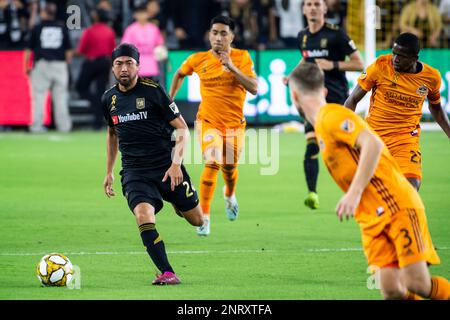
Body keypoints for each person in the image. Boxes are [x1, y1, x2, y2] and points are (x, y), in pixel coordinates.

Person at [288, 62, 450, 300]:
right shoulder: (321, 125)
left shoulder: (331, 116)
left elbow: (373, 144)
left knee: (417, 283)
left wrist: (353, 193)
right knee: (392, 289)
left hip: (397, 206)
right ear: (323, 90)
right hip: (371, 218)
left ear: (293, 95)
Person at [102, 43, 203, 285]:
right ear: (113, 67)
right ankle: (168, 272)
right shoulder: (109, 99)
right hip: (135, 172)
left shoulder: (154, 91)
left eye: (129, 63)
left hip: (167, 168)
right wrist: (109, 172)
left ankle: (177, 204)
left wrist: (176, 164)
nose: (124, 68)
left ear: (138, 65)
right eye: (119, 63)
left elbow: (182, 129)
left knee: (197, 220)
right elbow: (112, 134)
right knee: (142, 215)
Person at [169, 15, 258, 236]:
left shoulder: (242, 57)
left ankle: (229, 194)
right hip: (208, 122)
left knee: (229, 168)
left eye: (223, 33)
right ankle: (204, 217)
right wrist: (168, 101)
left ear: (232, 37)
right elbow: (180, 73)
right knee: (212, 161)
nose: (218, 38)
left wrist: (232, 68)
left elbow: (254, 87)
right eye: (215, 33)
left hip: (235, 126)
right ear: (209, 35)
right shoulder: (198, 59)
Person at [345, 33, 450, 191]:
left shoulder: (431, 77)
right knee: (375, 192)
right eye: (394, 53)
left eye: (401, 56)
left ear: (415, 58)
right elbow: (351, 100)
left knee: (411, 189)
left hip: (405, 140)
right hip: (374, 137)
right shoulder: (380, 66)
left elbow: (435, 108)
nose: (395, 59)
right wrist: (348, 134)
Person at [287, 0, 364, 210]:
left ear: (324, 9)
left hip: (337, 98)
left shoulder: (337, 34)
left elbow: (359, 63)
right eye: (309, 4)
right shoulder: (302, 36)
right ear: (303, 9)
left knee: (343, 146)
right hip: (313, 99)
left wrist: (334, 64)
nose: (312, 7)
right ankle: (312, 193)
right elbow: (306, 60)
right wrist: (293, 76)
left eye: (317, 4)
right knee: (311, 143)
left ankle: (361, 186)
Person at [24, 2, 72, 133]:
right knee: (61, 98)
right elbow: (68, 52)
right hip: (59, 65)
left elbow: (28, 50)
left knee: (39, 97)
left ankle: (36, 126)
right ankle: (64, 127)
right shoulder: (62, 27)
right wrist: (65, 66)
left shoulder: (37, 28)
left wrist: (26, 67)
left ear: (44, 13)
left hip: (42, 65)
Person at [76, 8, 116, 130]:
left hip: (91, 62)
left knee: (80, 87)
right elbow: (112, 51)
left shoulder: (90, 31)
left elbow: (81, 50)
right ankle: (98, 122)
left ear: (97, 17)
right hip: (105, 62)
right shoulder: (110, 31)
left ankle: (95, 103)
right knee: (101, 91)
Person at [121, 3, 165, 82]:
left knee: (150, 86)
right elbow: (125, 46)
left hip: (150, 63)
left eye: (143, 13)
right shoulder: (130, 29)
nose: (141, 16)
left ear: (148, 14)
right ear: (135, 15)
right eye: (139, 13)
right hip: (135, 63)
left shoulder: (153, 28)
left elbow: (159, 44)